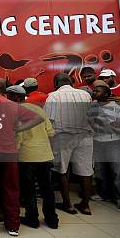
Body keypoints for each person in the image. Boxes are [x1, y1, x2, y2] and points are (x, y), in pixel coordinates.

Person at [0, 81, 43, 237]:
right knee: (11, 187)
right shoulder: (13, 105)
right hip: (9, 151)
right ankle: (13, 225)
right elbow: (38, 118)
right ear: (5, 90)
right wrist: (18, 128)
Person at [7, 85, 59, 229]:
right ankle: (52, 219)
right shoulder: (38, 109)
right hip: (45, 154)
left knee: (28, 189)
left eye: (9, 97)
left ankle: (32, 219)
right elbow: (50, 132)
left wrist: (14, 154)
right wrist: (51, 152)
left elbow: (19, 136)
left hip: (27, 156)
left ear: (17, 97)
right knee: (47, 188)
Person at [44, 73, 93, 215]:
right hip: (85, 136)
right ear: (71, 82)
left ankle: (68, 204)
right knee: (85, 171)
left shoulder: (53, 96)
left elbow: (48, 120)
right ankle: (85, 205)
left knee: (62, 170)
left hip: (62, 136)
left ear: (55, 83)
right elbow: (91, 115)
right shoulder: (85, 95)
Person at [88, 80, 120, 209]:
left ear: (106, 94)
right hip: (97, 141)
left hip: (113, 142)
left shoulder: (116, 107)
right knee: (99, 171)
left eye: (97, 91)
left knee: (117, 170)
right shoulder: (93, 106)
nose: (94, 93)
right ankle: (103, 193)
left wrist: (114, 128)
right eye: (94, 91)